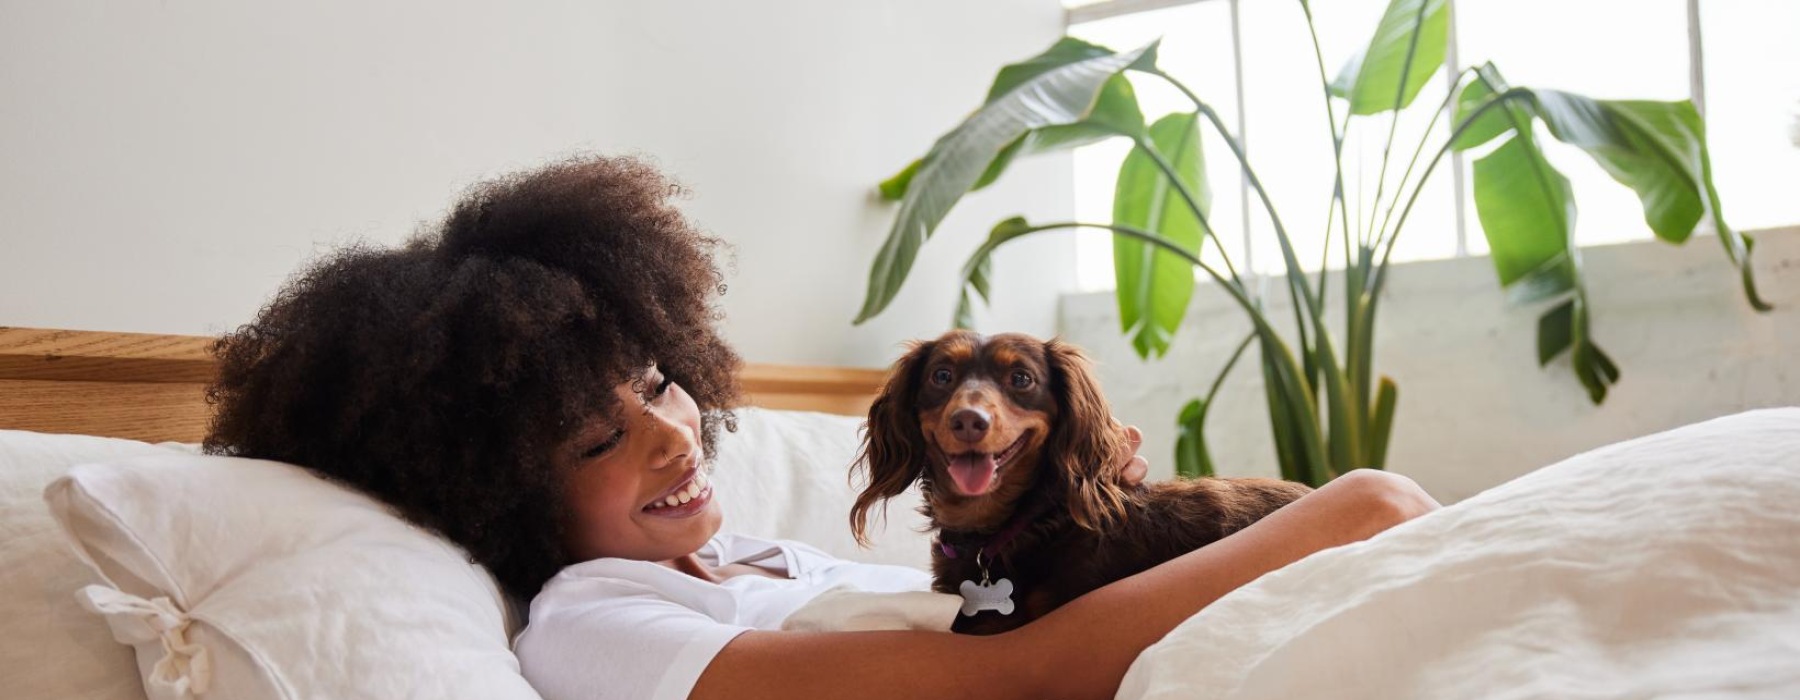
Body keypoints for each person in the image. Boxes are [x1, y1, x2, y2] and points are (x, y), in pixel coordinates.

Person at [204, 155, 1440, 700]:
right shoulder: (597, 627)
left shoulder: (768, 565)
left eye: (659, 381)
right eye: (597, 439)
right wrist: (1343, 513)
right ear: (494, 493)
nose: (675, 437)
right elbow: (1009, 683)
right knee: (1383, 504)